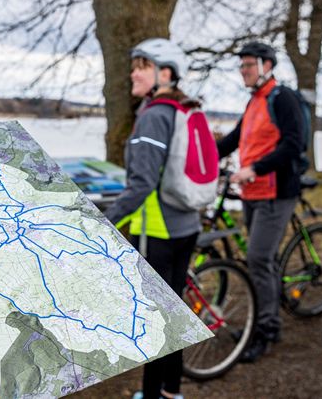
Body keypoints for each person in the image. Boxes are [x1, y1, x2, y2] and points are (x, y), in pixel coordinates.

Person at [104, 38, 202, 399]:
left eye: (141, 66)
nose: (133, 72)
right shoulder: (181, 110)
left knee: (158, 319)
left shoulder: (154, 116)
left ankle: (152, 395)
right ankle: (172, 392)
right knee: (173, 311)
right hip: (186, 224)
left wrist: (107, 219)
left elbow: (142, 184)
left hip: (158, 232)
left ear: (165, 73)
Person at [217, 41, 303, 362]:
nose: (244, 71)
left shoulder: (284, 99)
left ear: (267, 66)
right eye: (241, 66)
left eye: (249, 65)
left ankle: (266, 329)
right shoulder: (254, 101)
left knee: (257, 259)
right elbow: (233, 141)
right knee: (262, 259)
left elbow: (294, 145)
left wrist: (254, 168)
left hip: (277, 192)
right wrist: (201, 158)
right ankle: (265, 318)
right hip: (253, 193)